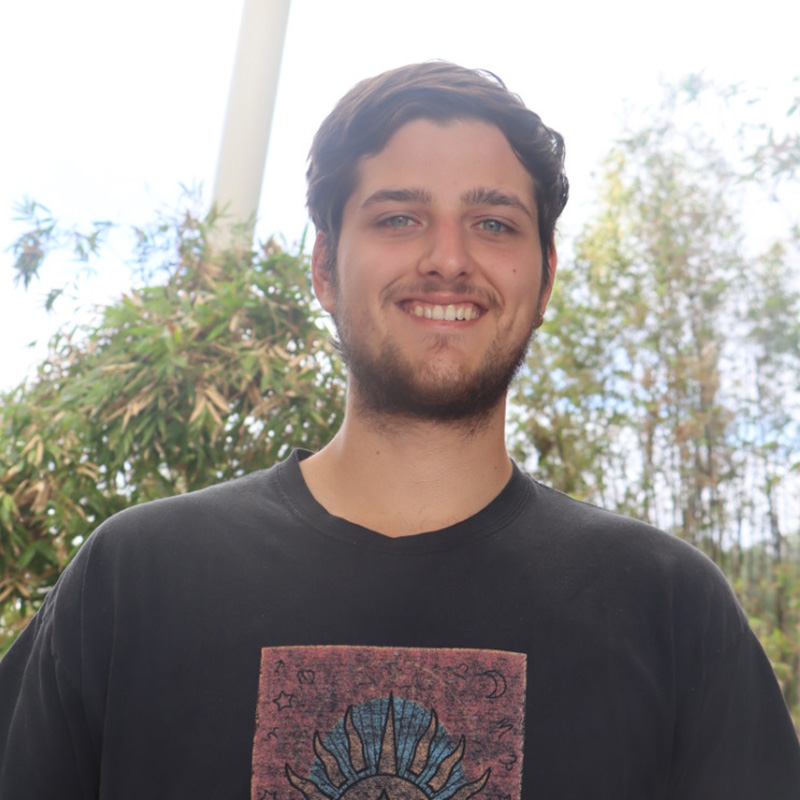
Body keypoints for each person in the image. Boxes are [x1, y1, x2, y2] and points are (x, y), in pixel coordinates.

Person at [1, 61, 799, 800]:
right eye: (398, 218)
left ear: (546, 277)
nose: (448, 259)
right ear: (323, 269)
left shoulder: (667, 607)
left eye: (492, 223)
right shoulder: (135, 579)